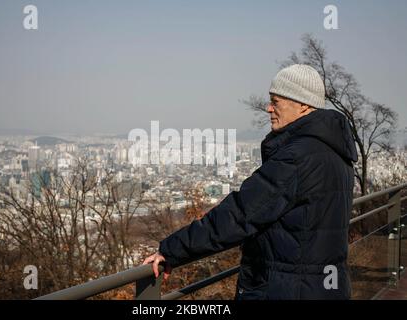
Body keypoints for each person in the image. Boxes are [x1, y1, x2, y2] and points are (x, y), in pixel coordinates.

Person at [142, 64, 358, 300]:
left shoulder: (297, 157)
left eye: (276, 102)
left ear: (303, 104)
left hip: (285, 289)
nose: (269, 108)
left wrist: (172, 250)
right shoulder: (337, 153)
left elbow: (239, 214)